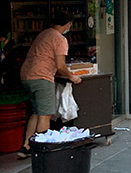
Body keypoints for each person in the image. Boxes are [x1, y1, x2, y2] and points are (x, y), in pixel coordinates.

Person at [17, 12, 82, 158]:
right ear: (68, 24)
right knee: (45, 114)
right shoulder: (60, 39)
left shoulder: (44, 34)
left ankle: (26, 146)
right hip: (41, 77)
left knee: (37, 111)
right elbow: (60, 65)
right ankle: (43, 149)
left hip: (27, 76)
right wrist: (72, 77)